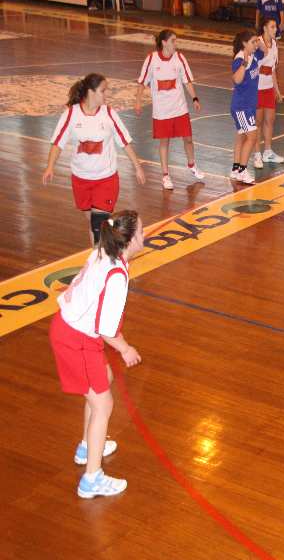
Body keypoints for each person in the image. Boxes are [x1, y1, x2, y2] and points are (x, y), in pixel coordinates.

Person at [49, 209, 144, 498]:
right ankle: (92, 478)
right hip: (76, 339)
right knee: (103, 405)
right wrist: (126, 349)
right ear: (129, 241)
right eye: (141, 232)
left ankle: (87, 447)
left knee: (104, 378)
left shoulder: (103, 251)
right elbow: (106, 329)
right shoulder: (116, 276)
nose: (145, 236)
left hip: (71, 330)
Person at [43, 73, 146, 246]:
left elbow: (124, 142)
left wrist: (137, 167)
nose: (107, 94)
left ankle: (104, 256)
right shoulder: (71, 114)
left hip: (106, 179)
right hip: (81, 180)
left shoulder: (109, 113)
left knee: (98, 224)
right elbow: (57, 143)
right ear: (91, 92)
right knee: (94, 224)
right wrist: (50, 167)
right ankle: (99, 252)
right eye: (103, 91)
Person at [135, 29, 204, 190]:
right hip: (162, 111)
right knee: (164, 142)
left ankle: (192, 165)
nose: (176, 44)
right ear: (164, 42)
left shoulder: (180, 58)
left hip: (180, 108)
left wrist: (194, 98)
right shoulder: (151, 59)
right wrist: (138, 101)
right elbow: (142, 82)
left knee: (188, 139)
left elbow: (187, 80)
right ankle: (165, 176)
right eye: (173, 40)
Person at [230, 30, 264, 184]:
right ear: (244, 43)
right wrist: (244, 62)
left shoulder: (254, 55)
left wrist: (258, 40)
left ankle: (236, 169)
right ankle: (243, 171)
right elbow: (237, 80)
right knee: (252, 137)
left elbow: (265, 50)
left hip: (249, 105)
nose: (256, 44)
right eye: (253, 42)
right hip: (242, 106)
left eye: (256, 41)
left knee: (242, 137)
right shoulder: (240, 58)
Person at [253, 18, 284, 168]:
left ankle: (267, 152)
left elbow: (272, 70)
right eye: (272, 27)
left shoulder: (275, 45)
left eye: (276, 27)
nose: (275, 29)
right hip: (257, 89)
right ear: (265, 28)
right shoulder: (257, 43)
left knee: (270, 120)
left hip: (268, 89)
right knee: (257, 122)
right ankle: (257, 154)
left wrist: (277, 90)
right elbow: (253, 67)